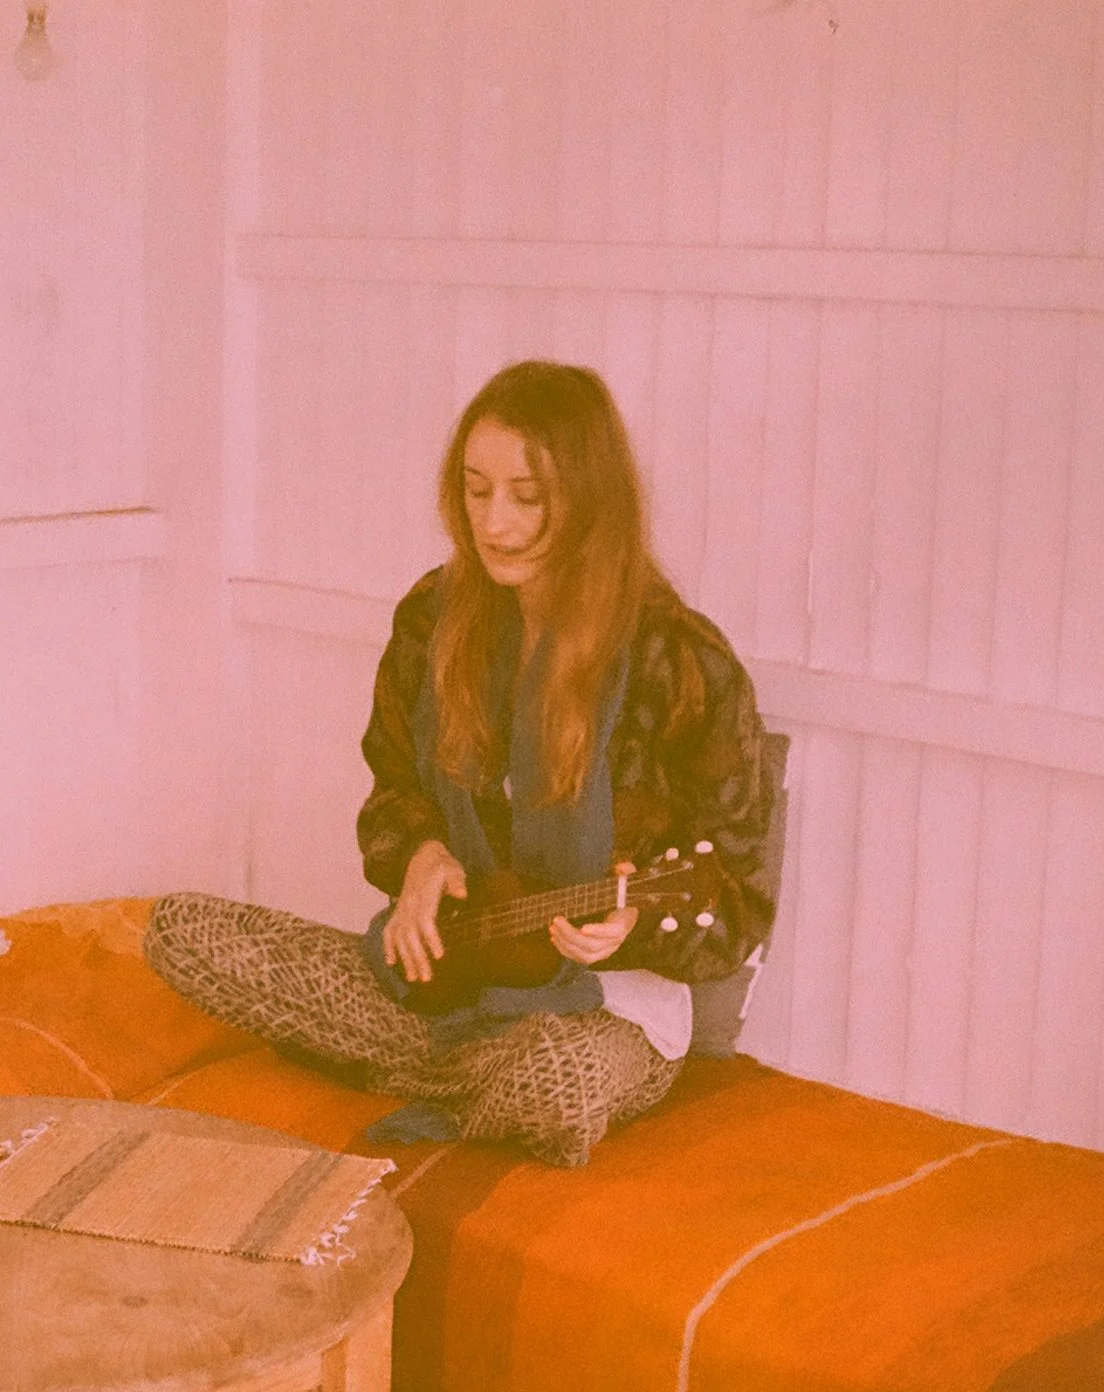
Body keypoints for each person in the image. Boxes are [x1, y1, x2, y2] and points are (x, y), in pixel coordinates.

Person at [145, 360, 776, 1168]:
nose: (496, 523)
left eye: (528, 495)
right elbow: (392, 792)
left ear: (589, 499)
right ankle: (452, 1069)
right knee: (184, 931)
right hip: (454, 977)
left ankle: (414, 1065)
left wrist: (634, 923)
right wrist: (419, 857)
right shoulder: (432, 618)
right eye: (477, 491)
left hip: (602, 1014)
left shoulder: (678, 659)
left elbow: (740, 901)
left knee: (558, 1080)